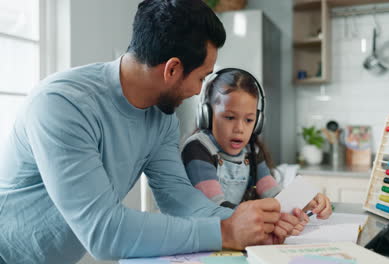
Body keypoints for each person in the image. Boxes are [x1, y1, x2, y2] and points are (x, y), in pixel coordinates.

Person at [0, 1, 292, 263]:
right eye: (201, 78)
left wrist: (256, 224)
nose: (197, 92)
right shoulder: (62, 107)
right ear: (172, 69)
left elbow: (179, 197)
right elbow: (105, 233)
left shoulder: (161, 116)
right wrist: (225, 231)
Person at [181, 68, 333, 235]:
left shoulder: (252, 150)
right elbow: (215, 206)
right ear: (207, 115)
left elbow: (274, 196)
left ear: (258, 122)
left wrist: (304, 202)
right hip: (201, 234)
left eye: (249, 120)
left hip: (232, 232)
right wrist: (271, 220)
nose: (239, 128)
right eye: (230, 117)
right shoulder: (197, 148)